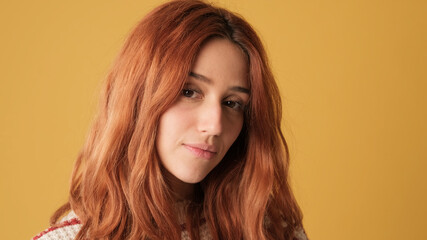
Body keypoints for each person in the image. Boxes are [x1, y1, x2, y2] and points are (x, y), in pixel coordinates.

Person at [33, 0, 308, 239]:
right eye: (189, 92)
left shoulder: (273, 230)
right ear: (137, 97)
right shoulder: (69, 237)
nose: (214, 125)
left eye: (232, 103)